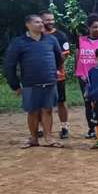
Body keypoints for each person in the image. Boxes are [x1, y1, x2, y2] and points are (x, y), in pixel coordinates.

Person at [3, 14, 63, 148]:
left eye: (42, 22)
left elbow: (59, 58)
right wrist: (15, 85)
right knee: (32, 111)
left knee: (47, 110)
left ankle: (48, 138)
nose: (41, 24)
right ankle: (34, 138)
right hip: (30, 83)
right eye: (37, 22)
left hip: (49, 81)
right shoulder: (19, 42)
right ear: (28, 25)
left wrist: (55, 70)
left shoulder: (51, 40)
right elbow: (9, 65)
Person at [75, 14, 98, 139]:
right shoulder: (81, 40)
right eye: (94, 27)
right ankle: (91, 128)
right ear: (88, 27)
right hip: (84, 77)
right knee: (88, 103)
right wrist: (78, 73)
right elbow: (77, 56)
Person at [41, 10, 71, 139]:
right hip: (40, 76)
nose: (51, 22)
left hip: (58, 75)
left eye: (52, 19)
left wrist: (52, 68)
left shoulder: (61, 35)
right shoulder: (37, 35)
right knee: (42, 102)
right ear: (41, 21)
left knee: (61, 101)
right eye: (47, 20)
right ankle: (44, 128)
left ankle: (64, 127)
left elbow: (64, 55)